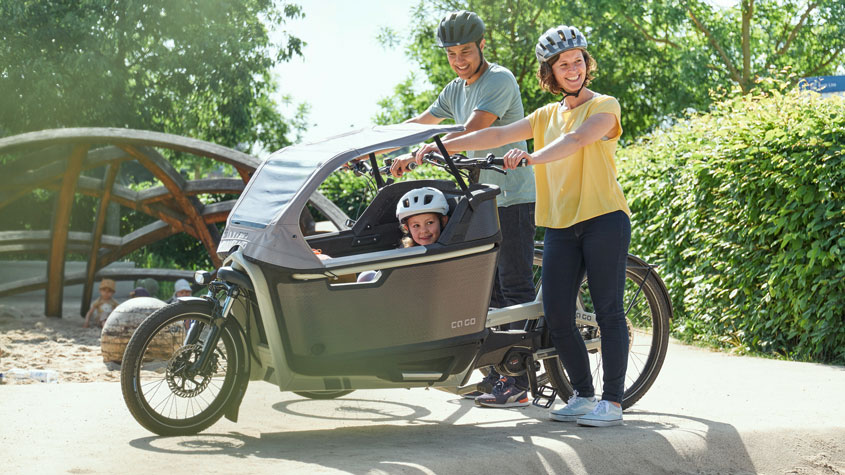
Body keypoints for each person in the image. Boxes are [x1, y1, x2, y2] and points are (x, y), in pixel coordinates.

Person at [419, 25, 632, 426]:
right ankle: (584, 396)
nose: (572, 69)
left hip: (604, 218)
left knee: (608, 311)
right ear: (550, 73)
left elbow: (577, 141)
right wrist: (440, 146)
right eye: (562, 64)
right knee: (555, 313)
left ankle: (613, 402)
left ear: (587, 64)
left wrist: (531, 159)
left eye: (577, 61)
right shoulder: (546, 115)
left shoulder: (605, 105)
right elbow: (495, 133)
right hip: (559, 224)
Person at [390, 10, 536, 408]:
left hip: (512, 197)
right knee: (484, 290)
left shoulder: (499, 79)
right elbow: (421, 122)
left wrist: (427, 151)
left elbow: (475, 126)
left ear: (482, 46)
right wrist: (380, 148)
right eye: (452, 53)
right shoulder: (455, 88)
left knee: (514, 286)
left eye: (466, 52)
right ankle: (495, 375)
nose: (459, 60)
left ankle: (519, 379)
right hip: (479, 200)